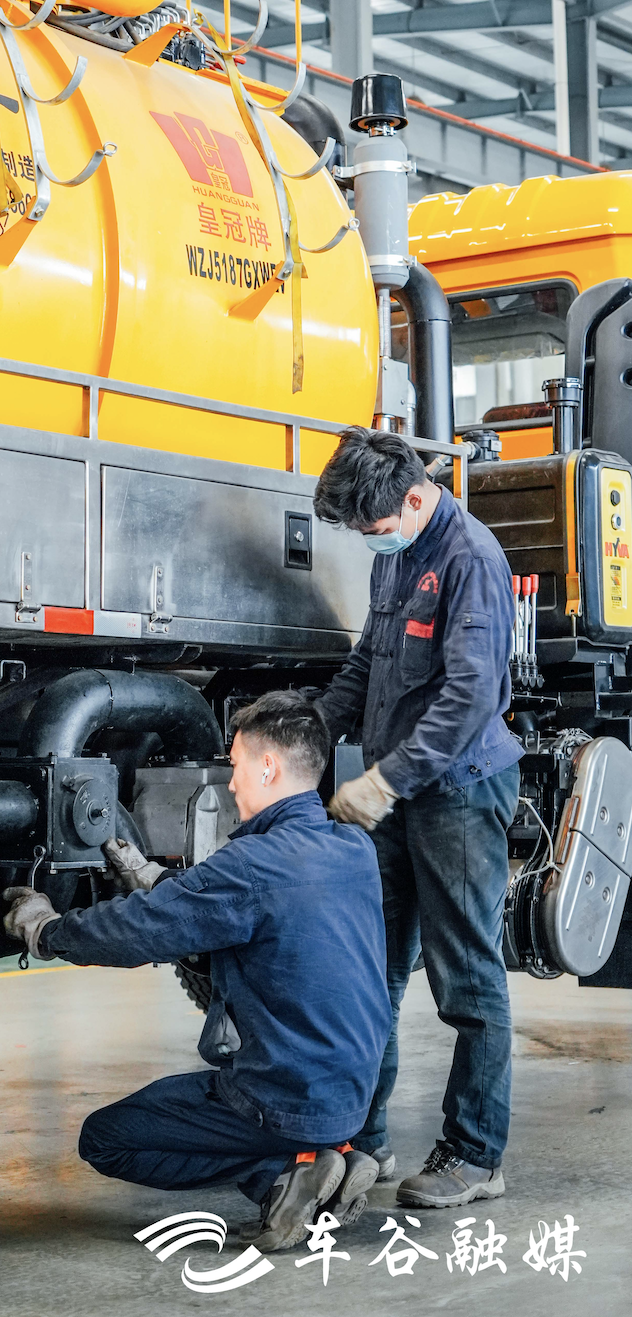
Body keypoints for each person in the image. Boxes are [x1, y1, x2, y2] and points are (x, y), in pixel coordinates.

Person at [2, 691, 391, 1252]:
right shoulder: (354, 849)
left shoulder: (251, 865)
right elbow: (250, 910)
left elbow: (139, 930)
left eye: (236, 766)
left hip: (284, 1097)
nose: (231, 784)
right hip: (352, 1095)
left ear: (268, 767)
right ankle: (325, 1157)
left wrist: (48, 930)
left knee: (105, 1140)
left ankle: (286, 1170)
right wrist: (153, 877)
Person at [313, 426, 523, 1211]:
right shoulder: (397, 554)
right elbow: (369, 661)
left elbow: (469, 698)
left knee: (465, 979)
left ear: (412, 497)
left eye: (373, 526)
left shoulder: (470, 558)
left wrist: (384, 782)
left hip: (458, 792)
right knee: (370, 971)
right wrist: (311, 730)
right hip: (397, 791)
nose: (370, 539)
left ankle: (475, 1155)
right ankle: (361, 1140)